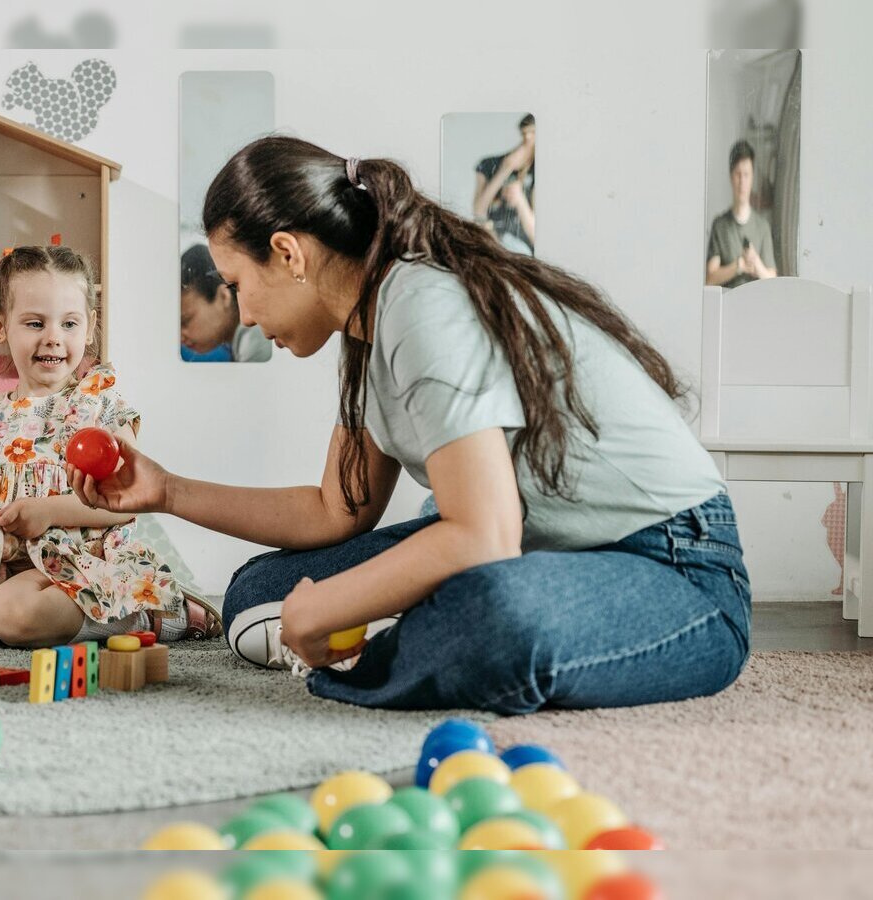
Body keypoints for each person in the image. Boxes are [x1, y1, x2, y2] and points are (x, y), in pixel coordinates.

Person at [68, 135, 750, 713]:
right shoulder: (367, 326)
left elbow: (483, 536)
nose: (242, 315)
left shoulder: (421, 305)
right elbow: (335, 511)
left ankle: (396, 633)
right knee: (256, 591)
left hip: (675, 566)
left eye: (238, 283)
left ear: (289, 253)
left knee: (492, 615)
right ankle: (399, 623)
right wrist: (165, 491)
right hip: (544, 546)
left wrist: (328, 606)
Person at [0, 245, 221, 646]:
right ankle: (4, 619)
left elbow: (127, 504)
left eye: (69, 324)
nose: (53, 338)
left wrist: (47, 511)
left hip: (73, 560)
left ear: (90, 326)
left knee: (11, 613)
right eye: (34, 323)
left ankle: (145, 614)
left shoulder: (100, 406)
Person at [181, 243, 272, 362]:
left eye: (185, 321)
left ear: (224, 297)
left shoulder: (255, 342)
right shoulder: (241, 343)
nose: (180, 337)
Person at [706, 139, 778, 288]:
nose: (742, 182)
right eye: (738, 174)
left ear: (752, 178)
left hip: (756, 306)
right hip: (727, 307)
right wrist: (738, 266)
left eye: (746, 175)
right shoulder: (719, 225)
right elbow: (710, 278)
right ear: (731, 176)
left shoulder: (762, 226)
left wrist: (756, 263)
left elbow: (773, 280)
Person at [472, 114, 536, 255]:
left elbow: (535, 236)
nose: (529, 139)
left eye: (533, 133)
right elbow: (478, 211)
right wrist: (505, 169)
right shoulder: (489, 164)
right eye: (526, 133)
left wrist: (520, 200)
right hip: (493, 244)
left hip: (525, 254)